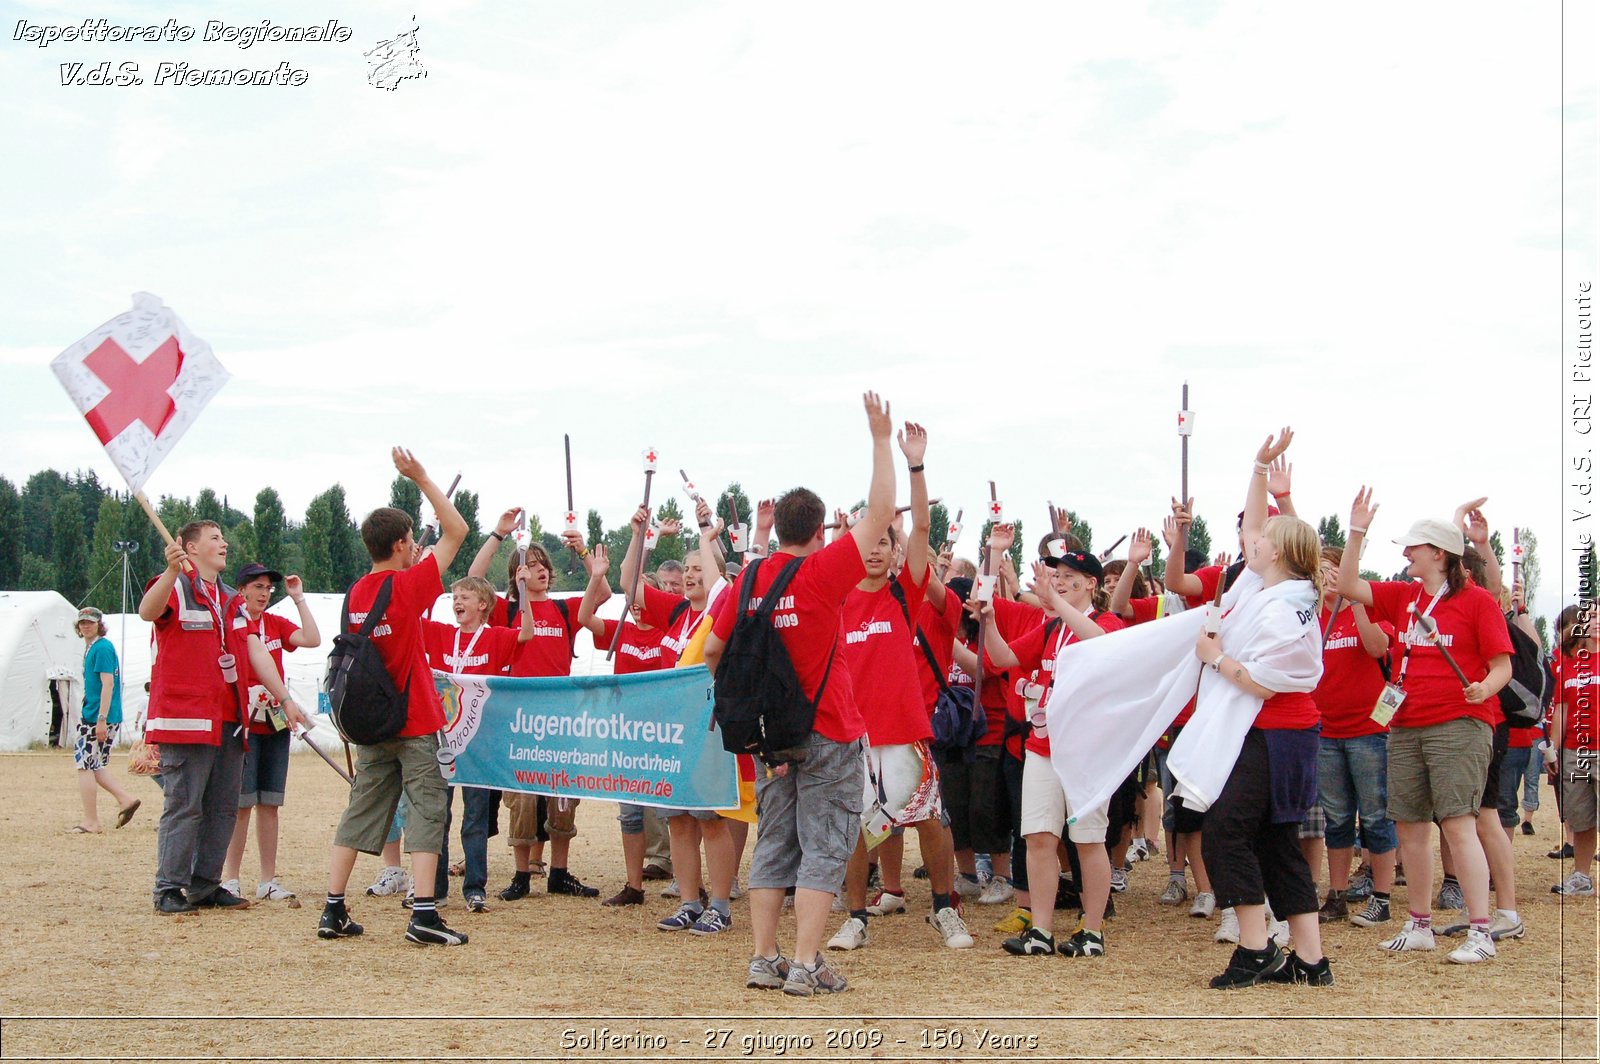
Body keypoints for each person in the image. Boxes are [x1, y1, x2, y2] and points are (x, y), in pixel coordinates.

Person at [704, 391, 897, 997]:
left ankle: (764, 959)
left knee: (776, 843)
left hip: (769, 736)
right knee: (826, 845)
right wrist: (880, 440)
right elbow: (881, 511)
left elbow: (714, 653)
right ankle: (808, 963)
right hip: (829, 728)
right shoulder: (818, 573)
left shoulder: (749, 579)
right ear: (819, 531)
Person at [1337, 487, 1514, 963]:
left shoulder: (1476, 601)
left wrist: (1486, 688)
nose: (1405, 553)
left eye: (1413, 547)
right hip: (1406, 723)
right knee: (1410, 827)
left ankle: (1480, 930)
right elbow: (1349, 584)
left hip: (1460, 722)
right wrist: (1356, 531)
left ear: (1439, 553)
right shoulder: (1404, 596)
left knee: (1458, 825)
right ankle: (1419, 923)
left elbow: (1503, 666)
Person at [1189, 429, 1330, 988]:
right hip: (1274, 735)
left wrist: (1215, 656)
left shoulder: (1284, 608)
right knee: (1275, 841)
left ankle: (1255, 948)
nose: (1254, 539)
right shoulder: (1270, 590)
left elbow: (1266, 683)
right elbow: (1251, 526)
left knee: (1225, 832)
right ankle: (1311, 959)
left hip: (1273, 732)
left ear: (1281, 552)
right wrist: (1257, 467)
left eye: (1266, 535)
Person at [826, 423, 973, 953]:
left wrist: (914, 465)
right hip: (853, 736)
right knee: (856, 830)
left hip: (905, 732)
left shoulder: (903, 597)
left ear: (894, 552)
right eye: (869, 541)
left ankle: (943, 908)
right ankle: (857, 916)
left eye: (885, 542)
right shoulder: (835, 602)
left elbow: (923, 529)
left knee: (929, 820)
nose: (876, 550)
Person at [315, 447, 469, 946]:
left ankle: (333, 907)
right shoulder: (408, 587)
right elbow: (458, 531)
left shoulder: (357, 592)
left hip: (369, 721)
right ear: (404, 544)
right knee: (428, 811)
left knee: (361, 809)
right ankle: (423, 912)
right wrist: (421, 475)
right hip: (414, 719)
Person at [140, 520, 298, 913]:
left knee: (224, 805)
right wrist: (173, 571)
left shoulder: (230, 599)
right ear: (190, 548)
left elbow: (255, 650)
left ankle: (205, 883)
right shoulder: (174, 585)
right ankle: (169, 888)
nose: (224, 543)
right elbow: (148, 611)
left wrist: (285, 698)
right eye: (214, 538)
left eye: (223, 538)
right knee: (185, 803)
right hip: (186, 715)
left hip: (229, 716)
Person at [979, 545, 1125, 958]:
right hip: (1042, 745)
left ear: (1090, 584)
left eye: (1067, 578)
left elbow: (1098, 643)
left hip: (1087, 751)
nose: (1057, 583)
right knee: (1039, 837)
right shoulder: (1050, 628)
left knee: (1087, 839)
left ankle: (1091, 931)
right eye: (1054, 576)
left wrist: (1055, 601)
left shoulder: (1104, 621)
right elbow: (1004, 657)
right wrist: (989, 622)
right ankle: (1041, 930)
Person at [469, 515, 600, 901]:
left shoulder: (565, 611)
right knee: (522, 799)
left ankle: (559, 871)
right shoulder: (507, 612)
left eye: (544, 567)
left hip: (561, 717)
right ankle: (521, 874)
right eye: (532, 566)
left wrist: (583, 550)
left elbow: (603, 589)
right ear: (516, 575)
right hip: (520, 718)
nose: (540, 572)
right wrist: (498, 534)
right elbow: (474, 578)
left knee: (563, 798)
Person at [422, 573, 535, 912]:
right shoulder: (443, 635)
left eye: (465, 597)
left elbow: (527, 633)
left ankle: (474, 888)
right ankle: (435, 888)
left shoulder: (496, 637)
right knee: (437, 814)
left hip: (479, 740)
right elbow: (410, 621)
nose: (457, 602)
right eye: (454, 596)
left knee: (475, 816)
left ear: (483, 605)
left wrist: (524, 589)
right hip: (442, 738)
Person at [220, 564, 321, 902]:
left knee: (270, 803)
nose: (264, 593)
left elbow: (312, 639)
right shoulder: (231, 623)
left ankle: (267, 878)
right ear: (242, 590)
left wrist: (298, 599)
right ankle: (229, 877)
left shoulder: (275, 624)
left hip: (275, 721)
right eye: (258, 587)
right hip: (243, 721)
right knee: (241, 803)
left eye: (268, 588)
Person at [1310, 545, 1397, 928]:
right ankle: (1337, 895)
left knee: (1376, 817)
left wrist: (1354, 601)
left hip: (1369, 732)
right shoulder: (1313, 619)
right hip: (1327, 731)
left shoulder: (1372, 610)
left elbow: (1378, 647)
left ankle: (1382, 896)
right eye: (1322, 570)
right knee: (1337, 819)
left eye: (1334, 570)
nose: (1328, 577)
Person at [70, 607, 140, 834]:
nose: (85, 626)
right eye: (82, 622)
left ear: (99, 624)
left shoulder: (101, 648)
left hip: (97, 716)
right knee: (94, 764)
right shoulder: (95, 648)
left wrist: (101, 719)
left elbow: (108, 684)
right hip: (98, 715)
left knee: (84, 765)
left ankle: (91, 821)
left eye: (90, 622)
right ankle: (125, 799)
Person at [1550, 603, 1598, 897]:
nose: (1596, 622)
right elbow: (1562, 710)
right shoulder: (1569, 663)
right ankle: (1582, 876)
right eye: (1591, 617)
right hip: (1575, 752)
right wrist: (1552, 749)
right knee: (1580, 818)